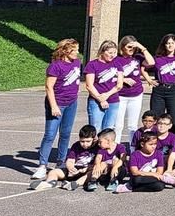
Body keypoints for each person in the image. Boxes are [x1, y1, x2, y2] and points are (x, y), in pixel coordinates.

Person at [35, 39, 83, 180]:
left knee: (66, 133)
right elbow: (49, 87)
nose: (77, 52)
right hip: (57, 103)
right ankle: (42, 166)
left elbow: (76, 80)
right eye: (75, 50)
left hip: (71, 103)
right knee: (50, 134)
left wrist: (75, 92)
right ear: (66, 50)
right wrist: (54, 106)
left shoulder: (77, 63)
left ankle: (61, 162)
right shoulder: (55, 66)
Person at [30, 124, 98, 191]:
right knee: (53, 172)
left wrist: (85, 169)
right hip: (74, 170)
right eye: (82, 141)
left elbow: (98, 163)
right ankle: (50, 182)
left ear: (94, 139)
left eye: (88, 141)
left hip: (87, 170)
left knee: (92, 173)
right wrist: (71, 168)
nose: (85, 144)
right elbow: (70, 160)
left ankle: (76, 184)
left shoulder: (97, 147)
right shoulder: (76, 146)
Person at [83, 40, 124, 134]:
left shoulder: (117, 64)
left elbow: (119, 85)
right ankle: (93, 148)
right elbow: (89, 85)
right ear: (102, 51)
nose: (112, 55)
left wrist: (107, 95)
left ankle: (104, 148)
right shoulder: (92, 64)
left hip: (113, 100)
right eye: (110, 53)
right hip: (96, 101)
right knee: (95, 128)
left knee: (108, 129)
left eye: (114, 53)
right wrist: (100, 99)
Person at [150, 34, 175, 120]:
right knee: (156, 118)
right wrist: (149, 80)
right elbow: (143, 67)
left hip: (174, 90)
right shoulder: (158, 58)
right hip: (159, 90)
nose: (170, 45)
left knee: (174, 118)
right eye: (168, 43)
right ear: (164, 45)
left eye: (172, 43)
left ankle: (173, 134)